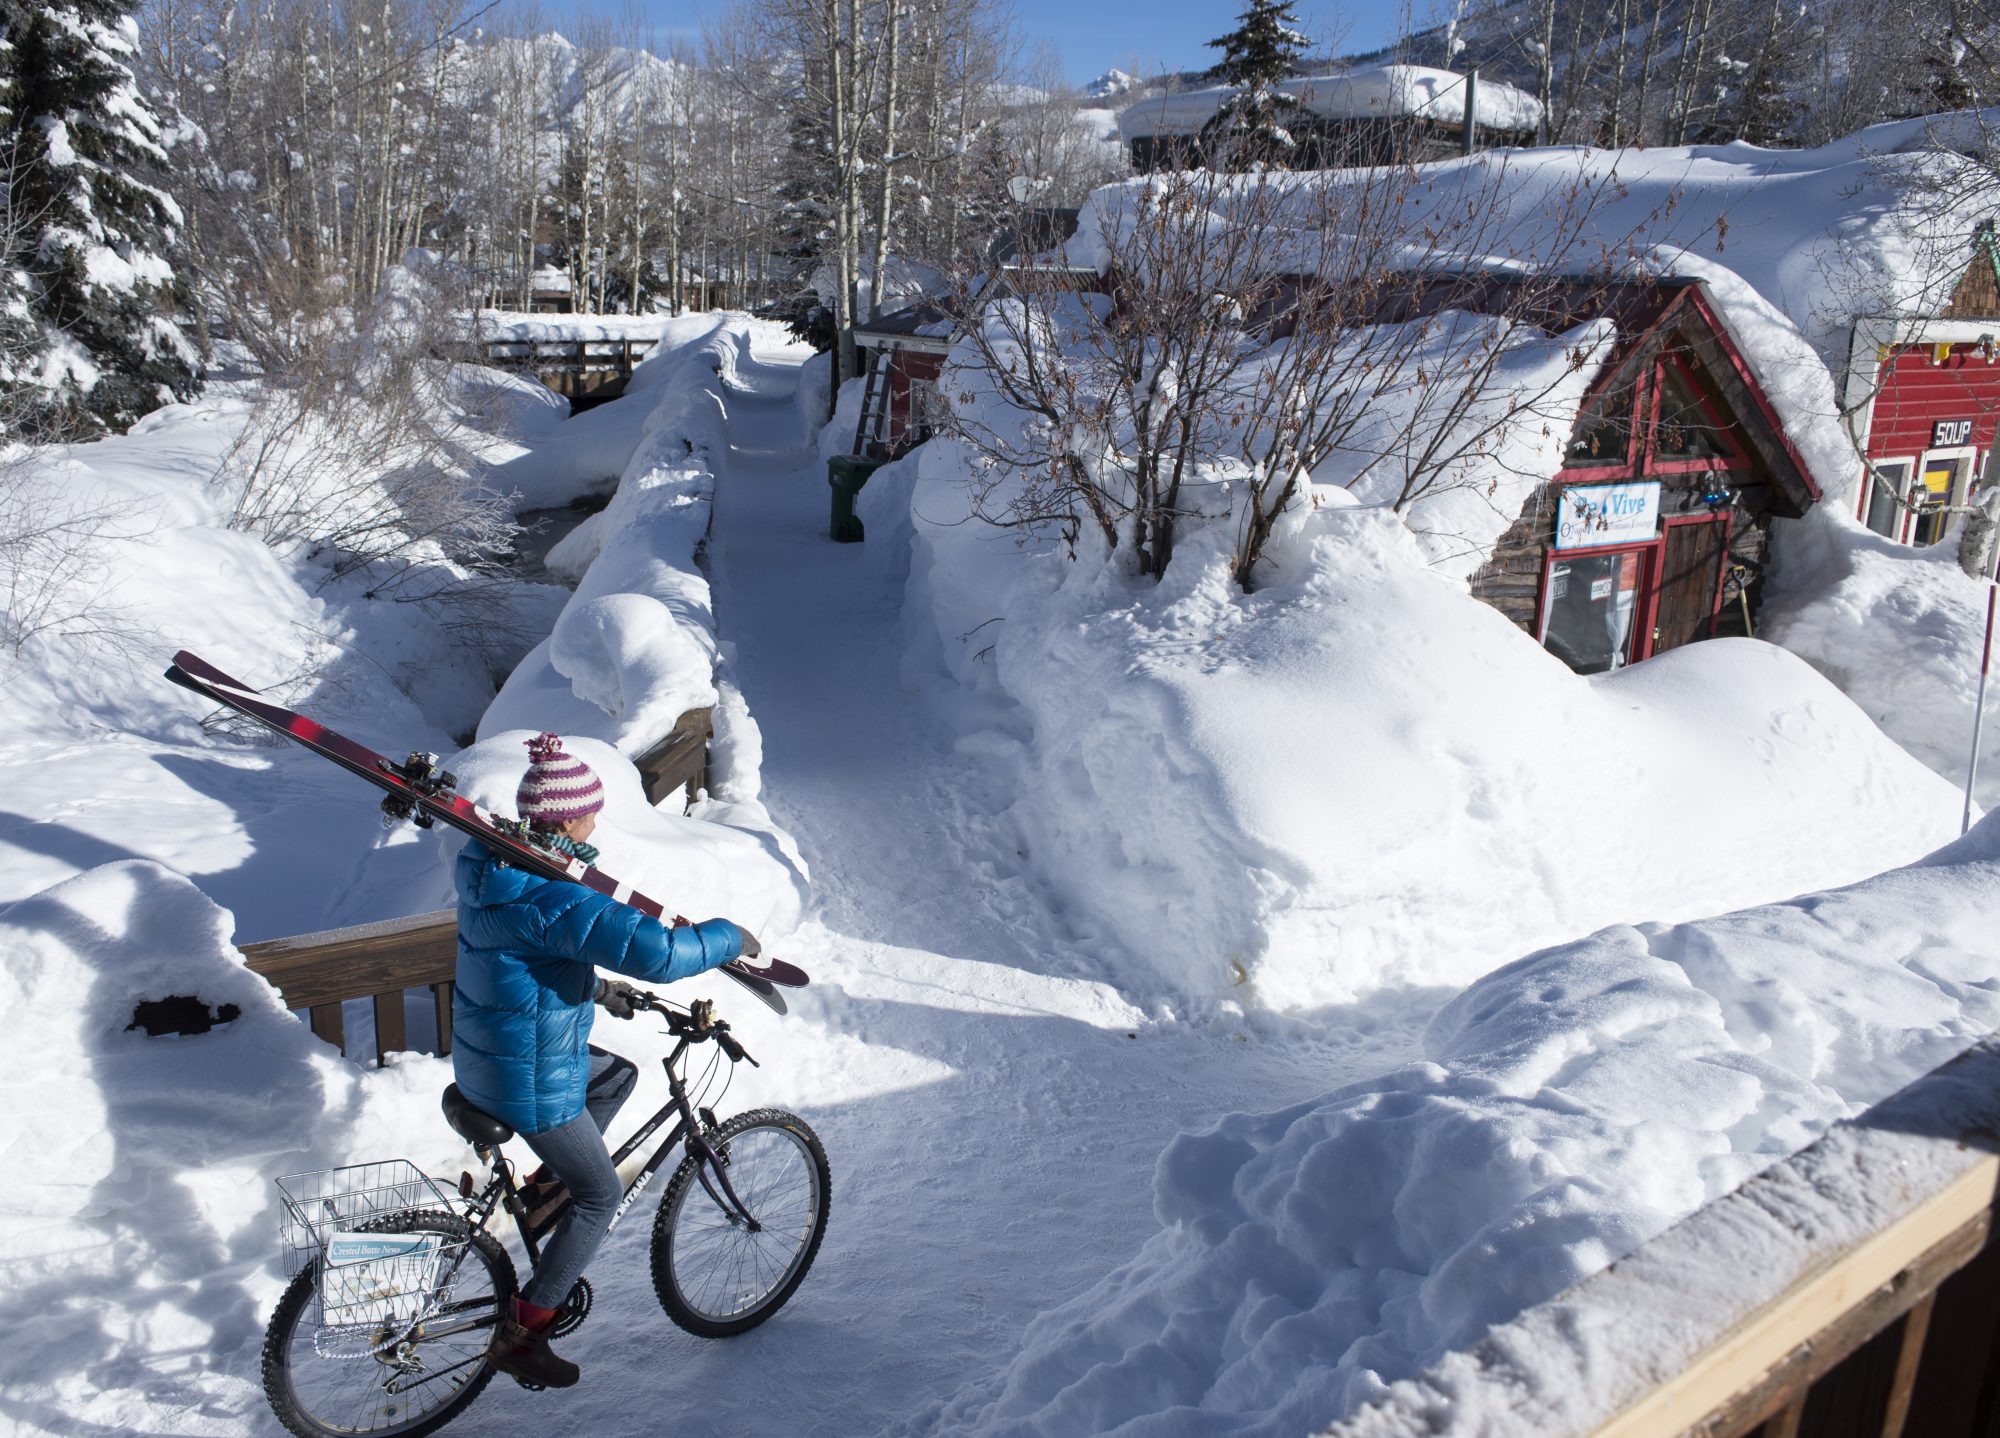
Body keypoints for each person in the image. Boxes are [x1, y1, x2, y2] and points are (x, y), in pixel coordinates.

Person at [451, 731, 757, 1388]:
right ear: (568, 817)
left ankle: (540, 1196)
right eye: (591, 808)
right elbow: (661, 955)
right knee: (600, 1194)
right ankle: (525, 1332)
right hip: (528, 1077)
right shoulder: (556, 894)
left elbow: (521, 959)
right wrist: (729, 936)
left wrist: (600, 989)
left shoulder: (490, 868)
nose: (597, 819)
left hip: (490, 1058)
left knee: (617, 1074)